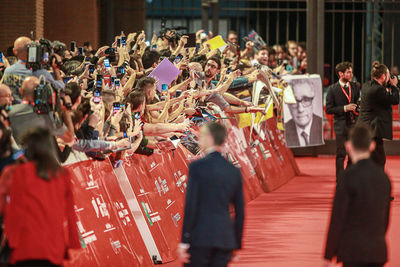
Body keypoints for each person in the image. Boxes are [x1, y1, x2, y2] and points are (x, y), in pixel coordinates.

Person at [0, 127, 81, 267]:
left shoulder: (14, 172)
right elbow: (70, 214)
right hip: (53, 249)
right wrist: (72, 242)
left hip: (23, 247)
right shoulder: (62, 175)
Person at [324, 125, 392, 267]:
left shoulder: (347, 176)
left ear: (349, 146)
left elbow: (338, 216)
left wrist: (329, 254)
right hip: (377, 251)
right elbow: (385, 219)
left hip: (352, 251)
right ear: (372, 146)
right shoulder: (384, 178)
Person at [178, 122, 244, 267]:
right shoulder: (233, 171)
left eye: (201, 136)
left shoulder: (197, 167)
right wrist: (237, 243)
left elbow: (190, 206)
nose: (199, 140)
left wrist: (184, 240)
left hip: (199, 238)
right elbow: (240, 212)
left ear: (209, 138)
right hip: (224, 239)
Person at [357, 62, 399, 168]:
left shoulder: (367, 85)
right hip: (373, 129)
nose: (390, 77)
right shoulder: (378, 89)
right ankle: (376, 182)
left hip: (366, 128)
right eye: (388, 75)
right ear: (383, 76)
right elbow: (395, 99)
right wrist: (394, 86)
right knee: (379, 160)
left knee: (370, 159)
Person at [326, 62, 360, 181]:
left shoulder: (356, 86)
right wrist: (345, 108)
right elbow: (329, 109)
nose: (351, 74)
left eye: (351, 72)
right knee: (341, 153)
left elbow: (358, 103)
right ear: (341, 74)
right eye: (348, 72)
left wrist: (357, 108)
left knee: (353, 153)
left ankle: (350, 175)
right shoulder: (332, 89)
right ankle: (340, 178)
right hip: (340, 125)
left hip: (353, 124)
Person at [285, 78, 323, 147]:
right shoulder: (284, 130)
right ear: (288, 105)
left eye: (306, 100)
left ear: (313, 102)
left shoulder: (324, 126)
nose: (300, 109)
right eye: (294, 101)